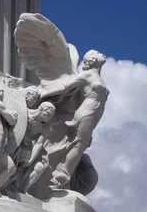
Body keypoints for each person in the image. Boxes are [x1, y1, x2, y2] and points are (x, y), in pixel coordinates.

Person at [40, 50, 108, 188]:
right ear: (92, 59)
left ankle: (62, 174)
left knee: (80, 144)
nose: (102, 54)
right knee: (78, 144)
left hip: (93, 117)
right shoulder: (87, 74)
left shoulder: (97, 76)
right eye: (98, 53)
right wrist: (42, 94)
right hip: (85, 114)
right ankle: (61, 175)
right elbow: (65, 87)